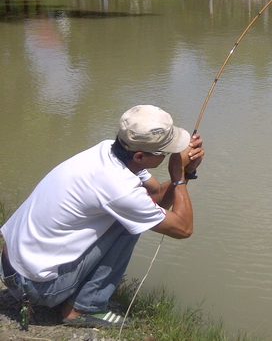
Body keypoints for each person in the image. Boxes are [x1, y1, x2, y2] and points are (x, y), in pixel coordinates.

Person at [0, 105, 204, 328]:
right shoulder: (119, 187)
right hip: (33, 286)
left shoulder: (108, 150)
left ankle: (79, 298)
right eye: (164, 153)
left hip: (12, 265)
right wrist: (179, 176)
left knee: (135, 213)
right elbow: (183, 228)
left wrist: (187, 173)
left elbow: (154, 196)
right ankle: (83, 308)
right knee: (129, 223)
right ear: (139, 156)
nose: (169, 156)